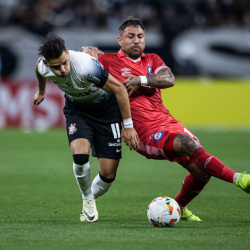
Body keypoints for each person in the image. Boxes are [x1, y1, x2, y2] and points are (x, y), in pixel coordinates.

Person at [82, 17, 250, 221]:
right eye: (131, 36)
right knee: (189, 145)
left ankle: (178, 207)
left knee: (201, 171)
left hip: (168, 122)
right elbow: (79, 62)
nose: (136, 40)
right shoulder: (107, 61)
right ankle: (240, 179)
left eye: (140, 36)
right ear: (120, 40)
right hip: (144, 133)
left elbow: (169, 79)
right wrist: (85, 51)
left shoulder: (152, 59)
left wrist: (141, 79)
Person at [33, 32, 139, 223]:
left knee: (108, 175)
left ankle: (91, 195)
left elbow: (119, 89)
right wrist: (41, 91)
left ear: (67, 52)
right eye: (56, 67)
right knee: (80, 156)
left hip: (107, 112)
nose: (63, 70)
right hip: (78, 111)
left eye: (65, 63)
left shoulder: (85, 67)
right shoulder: (44, 66)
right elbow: (38, 70)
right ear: (47, 64)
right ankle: (87, 199)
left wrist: (128, 126)